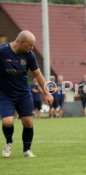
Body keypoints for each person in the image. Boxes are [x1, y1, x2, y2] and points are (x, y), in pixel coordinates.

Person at [0, 30, 53, 158]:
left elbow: (38, 74)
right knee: (7, 122)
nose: (32, 48)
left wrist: (47, 93)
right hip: (5, 95)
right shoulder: (2, 51)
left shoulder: (29, 54)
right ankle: (9, 142)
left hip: (23, 93)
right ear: (20, 42)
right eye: (29, 45)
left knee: (28, 122)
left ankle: (27, 150)